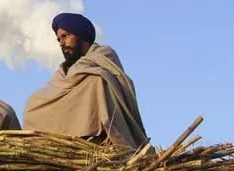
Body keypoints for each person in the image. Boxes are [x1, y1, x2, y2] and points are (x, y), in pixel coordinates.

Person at [23, 13, 149, 149]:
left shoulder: (103, 56)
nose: (61, 42)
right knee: (33, 101)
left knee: (97, 81)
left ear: (82, 36)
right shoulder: (61, 74)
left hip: (99, 146)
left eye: (66, 36)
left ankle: (95, 136)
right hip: (65, 146)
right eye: (58, 39)